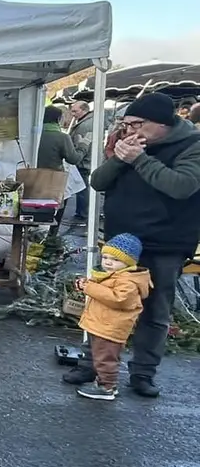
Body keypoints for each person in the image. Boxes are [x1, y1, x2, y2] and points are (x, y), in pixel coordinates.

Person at [65, 92, 200, 398]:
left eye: (136, 124)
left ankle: (142, 373)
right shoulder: (128, 142)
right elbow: (98, 181)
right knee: (103, 303)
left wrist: (139, 159)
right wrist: (118, 159)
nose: (128, 130)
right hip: (122, 242)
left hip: (165, 242)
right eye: (125, 124)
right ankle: (93, 365)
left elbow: (181, 186)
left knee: (155, 310)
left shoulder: (192, 145)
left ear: (162, 123)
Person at [71, 234, 151, 401]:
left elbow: (118, 299)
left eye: (115, 259)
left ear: (128, 262)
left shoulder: (128, 281)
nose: (108, 262)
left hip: (110, 327)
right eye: (105, 257)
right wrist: (86, 284)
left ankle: (106, 387)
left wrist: (89, 288)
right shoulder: (114, 275)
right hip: (102, 324)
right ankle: (103, 383)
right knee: (102, 356)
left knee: (105, 358)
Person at [37, 105, 83, 235]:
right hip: (54, 181)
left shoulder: (33, 135)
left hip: (32, 179)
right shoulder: (62, 137)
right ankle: (50, 239)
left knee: (32, 212)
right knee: (55, 213)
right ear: (58, 119)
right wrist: (83, 145)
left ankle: (33, 238)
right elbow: (73, 159)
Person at [68, 99, 96, 221]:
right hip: (85, 159)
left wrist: (77, 157)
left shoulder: (85, 125)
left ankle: (82, 213)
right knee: (82, 187)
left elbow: (82, 144)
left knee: (82, 187)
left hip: (83, 160)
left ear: (84, 110)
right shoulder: (87, 122)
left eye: (75, 111)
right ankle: (82, 212)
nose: (73, 114)